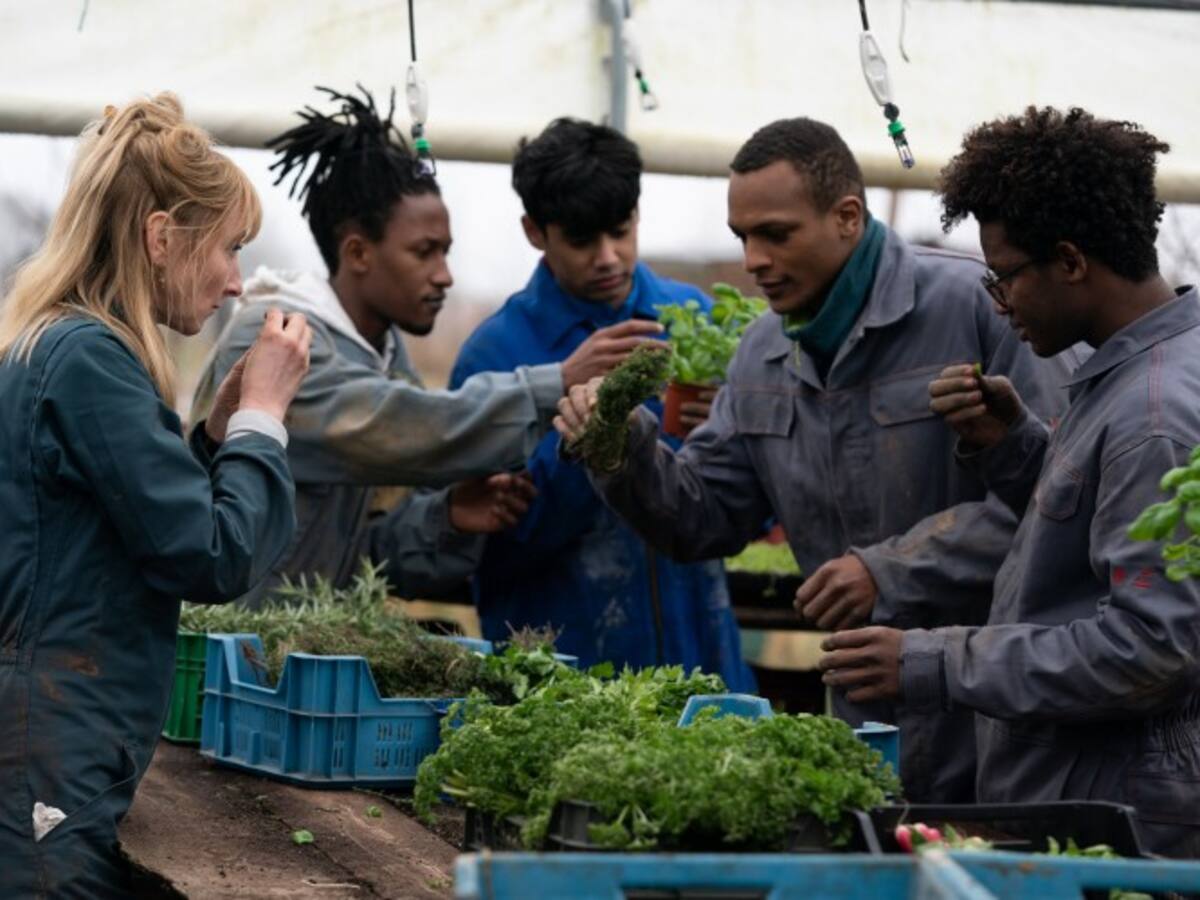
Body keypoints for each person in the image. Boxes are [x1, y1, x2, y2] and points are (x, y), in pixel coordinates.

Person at [553, 117, 1078, 802]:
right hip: (866, 724)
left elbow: (1057, 504)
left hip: (999, 714)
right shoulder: (762, 353)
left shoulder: (979, 306)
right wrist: (621, 447)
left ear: (847, 217)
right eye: (744, 237)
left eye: (776, 233)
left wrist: (885, 571)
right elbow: (702, 517)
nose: (753, 260)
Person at [820, 106, 1200, 857]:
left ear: (1069, 261)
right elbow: (1092, 545)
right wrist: (1016, 447)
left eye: (1005, 278)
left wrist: (927, 659)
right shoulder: (1130, 376)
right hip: (1088, 789)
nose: (1002, 304)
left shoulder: (1154, 412)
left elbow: (1150, 649)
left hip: (1121, 817)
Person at [0, 94, 311, 897]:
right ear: (160, 238)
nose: (237, 283)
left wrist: (209, 437)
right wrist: (263, 420)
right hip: (50, 753)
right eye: (228, 250)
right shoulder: (91, 361)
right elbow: (210, 555)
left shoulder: (55, 342)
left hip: (45, 739)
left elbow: (124, 524)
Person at [191, 90, 661, 608]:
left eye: (446, 252)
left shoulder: (384, 358)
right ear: (358, 252)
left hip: (309, 659)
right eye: (423, 252)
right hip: (229, 659)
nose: (444, 276)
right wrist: (556, 383)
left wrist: (451, 516)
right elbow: (391, 424)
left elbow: (376, 558)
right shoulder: (274, 337)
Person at [449, 118, 752, 688]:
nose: (609, 257)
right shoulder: (496, 355)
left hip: (705, 664)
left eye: (621, 230)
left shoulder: (696, 320)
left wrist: (727, 434)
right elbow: (495, 543)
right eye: (583, 241)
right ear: (535, 231)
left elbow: (745, 504)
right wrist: (589, 440)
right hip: (568, 673)